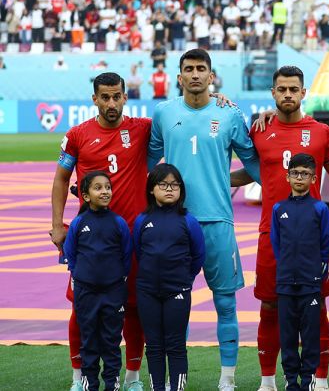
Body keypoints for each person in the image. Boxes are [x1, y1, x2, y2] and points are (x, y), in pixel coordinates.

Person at [148, 48, 261, 390]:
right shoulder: (164, 113)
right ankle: (176, 380)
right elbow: (149, 165)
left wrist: (226, 180)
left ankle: (227, 380)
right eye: (188, 69)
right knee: (176, 306)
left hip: (217, 222)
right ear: (179, 76)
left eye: (201, 69)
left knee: (225, 302)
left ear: (212, 76)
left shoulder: (229, 115)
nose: (195, 74)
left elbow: (254, 165)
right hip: (174, 223)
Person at [250, 66, 329, 391]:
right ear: (273, 93)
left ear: (303, 92)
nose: (288, 95)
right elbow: (249, 174)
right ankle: (268, 381)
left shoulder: (323, 132)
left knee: (316, 305)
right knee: (269, 305)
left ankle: (319, 380)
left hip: (311, 242)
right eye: (282, 89)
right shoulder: (258, 130)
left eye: (294, 89)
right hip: (271, 236)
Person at [51, 72, 150, 391]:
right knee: (81, 309)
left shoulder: (141, 129)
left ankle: (132, 377)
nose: (111, 102)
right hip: (90, 239)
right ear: (94, 99)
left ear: (125, 96)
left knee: (133, 307)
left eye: (117, 96)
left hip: (133, 238)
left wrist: (219, 98)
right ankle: (79, 377)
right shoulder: (78, 135)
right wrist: (57, 225)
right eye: (105, 97)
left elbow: (184, 112)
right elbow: (61, 179)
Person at [132, 164, 205, 391]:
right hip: (147, 291)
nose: (169, 189)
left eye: (175, 185)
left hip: (178, 290)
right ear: (151, 190)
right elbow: (138, 250)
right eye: (163, 184)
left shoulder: (188, 221)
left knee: (175, 344)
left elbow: (198, 255)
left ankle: (176, 387)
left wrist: (183, 279)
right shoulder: (142, 220)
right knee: (153, 345)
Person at [270, 154, 329, 391]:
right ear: (287, 176)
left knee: (309, 335)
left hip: (310, 283)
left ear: (313, 178)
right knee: (287, 336)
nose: (299, 177)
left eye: (305, 174)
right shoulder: (279, 209)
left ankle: (308, 380)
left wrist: (315, 271)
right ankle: (291, 382)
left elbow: (326, 244)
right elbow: (277, 245)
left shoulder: (319, 208)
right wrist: (287, 267)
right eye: (295, 173)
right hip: (286, 282)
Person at [64, 171, 133, 391]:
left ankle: (111, 383)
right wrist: (82, 276)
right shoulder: (79, 223)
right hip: (86, 292)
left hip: (113, 292)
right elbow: (71, 253)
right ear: (85, 196)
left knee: (111, 341)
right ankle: (89, 384)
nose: (104, 192)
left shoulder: (118, 223)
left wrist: (116, 279)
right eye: (98, 188)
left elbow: (126, 254)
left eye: (107, 187)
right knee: (89, 341)